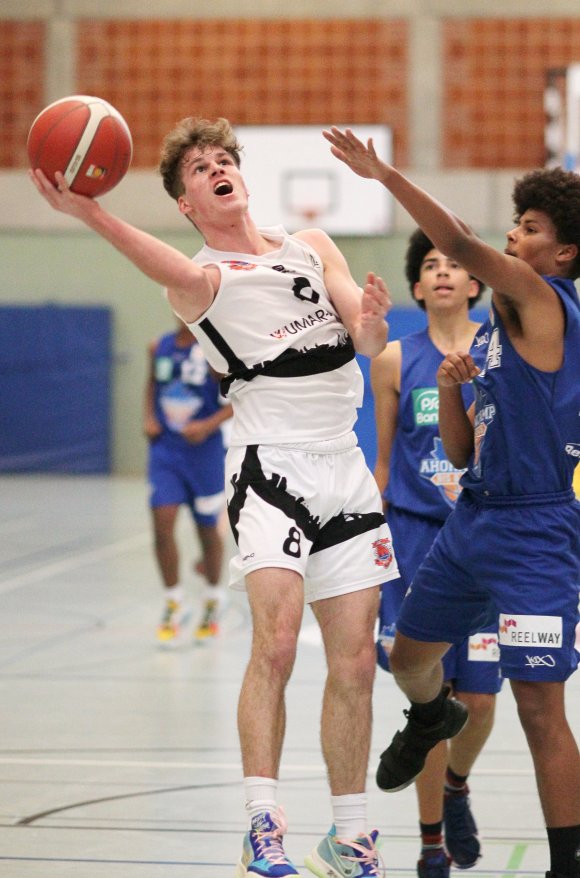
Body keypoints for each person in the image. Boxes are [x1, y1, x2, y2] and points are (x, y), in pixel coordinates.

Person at [29, 116, 399, 878]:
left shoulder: (313, 245)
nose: (216, 167)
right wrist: (90, 211)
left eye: (224, 158)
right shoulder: (198, 282)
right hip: (272, 473)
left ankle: (350, 836)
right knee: (276, 644)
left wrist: (373, 319)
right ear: (188, 202)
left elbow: (363, 340)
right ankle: (263, 827)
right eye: (199, 167)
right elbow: (162, 264)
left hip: (345, 468)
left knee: (357, 662)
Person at [323, 126, 580, 878]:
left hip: (536, 530)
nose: (514, 235)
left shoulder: (542, 298)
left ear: (563, 253)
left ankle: (568, 862)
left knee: (538, 707)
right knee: (408, 658)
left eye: (529, 229)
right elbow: (464, 453)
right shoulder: (498, 334)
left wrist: (385, 175)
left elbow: (462, 245)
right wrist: (448, 391)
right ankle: (432, 716)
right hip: (472, 519)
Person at [372, 229, 501, 876]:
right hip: (416, 538)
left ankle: (456, 790)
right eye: (430, 265)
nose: (444, 272)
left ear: (476, 282)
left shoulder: (503, 351)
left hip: (483, 537)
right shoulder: (395, 359)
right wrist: (364, 536)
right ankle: (430, 844)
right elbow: (385, 457)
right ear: (418, 287)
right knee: (429, 701)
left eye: (455, 263)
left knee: (477, 703)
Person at [144, 318, 232, 646]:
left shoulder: (214, 352)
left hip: (204, 454)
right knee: (161, 523)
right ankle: (174, 602)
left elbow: (238, 401)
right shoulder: (160, 346)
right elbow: (151, 385)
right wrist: (149, 417)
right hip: (166, 452)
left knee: (207, 531)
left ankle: (212, 598)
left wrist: (208, 425)